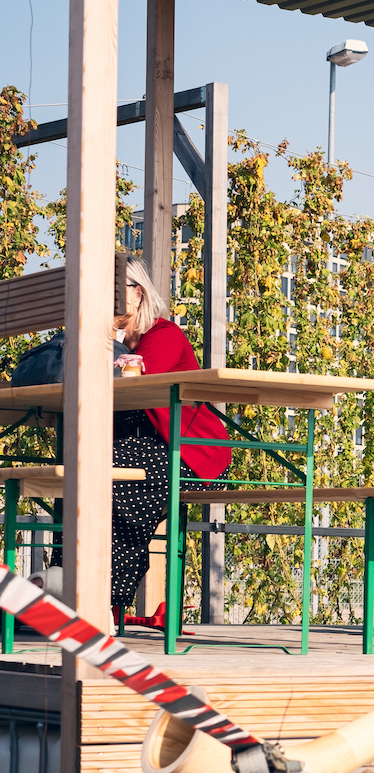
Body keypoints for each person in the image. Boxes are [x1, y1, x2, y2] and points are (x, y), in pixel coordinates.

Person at [102, 257, 232, 615]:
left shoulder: (164, 335)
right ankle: (62, 580)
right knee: (82, 468)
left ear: (137, 294)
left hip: (195, 455)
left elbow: (134, 385)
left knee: (109, 471)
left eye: (114, 290)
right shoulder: (122, 346)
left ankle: (103, 596)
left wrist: (103, 340)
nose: (105, 298)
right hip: (152, 450)